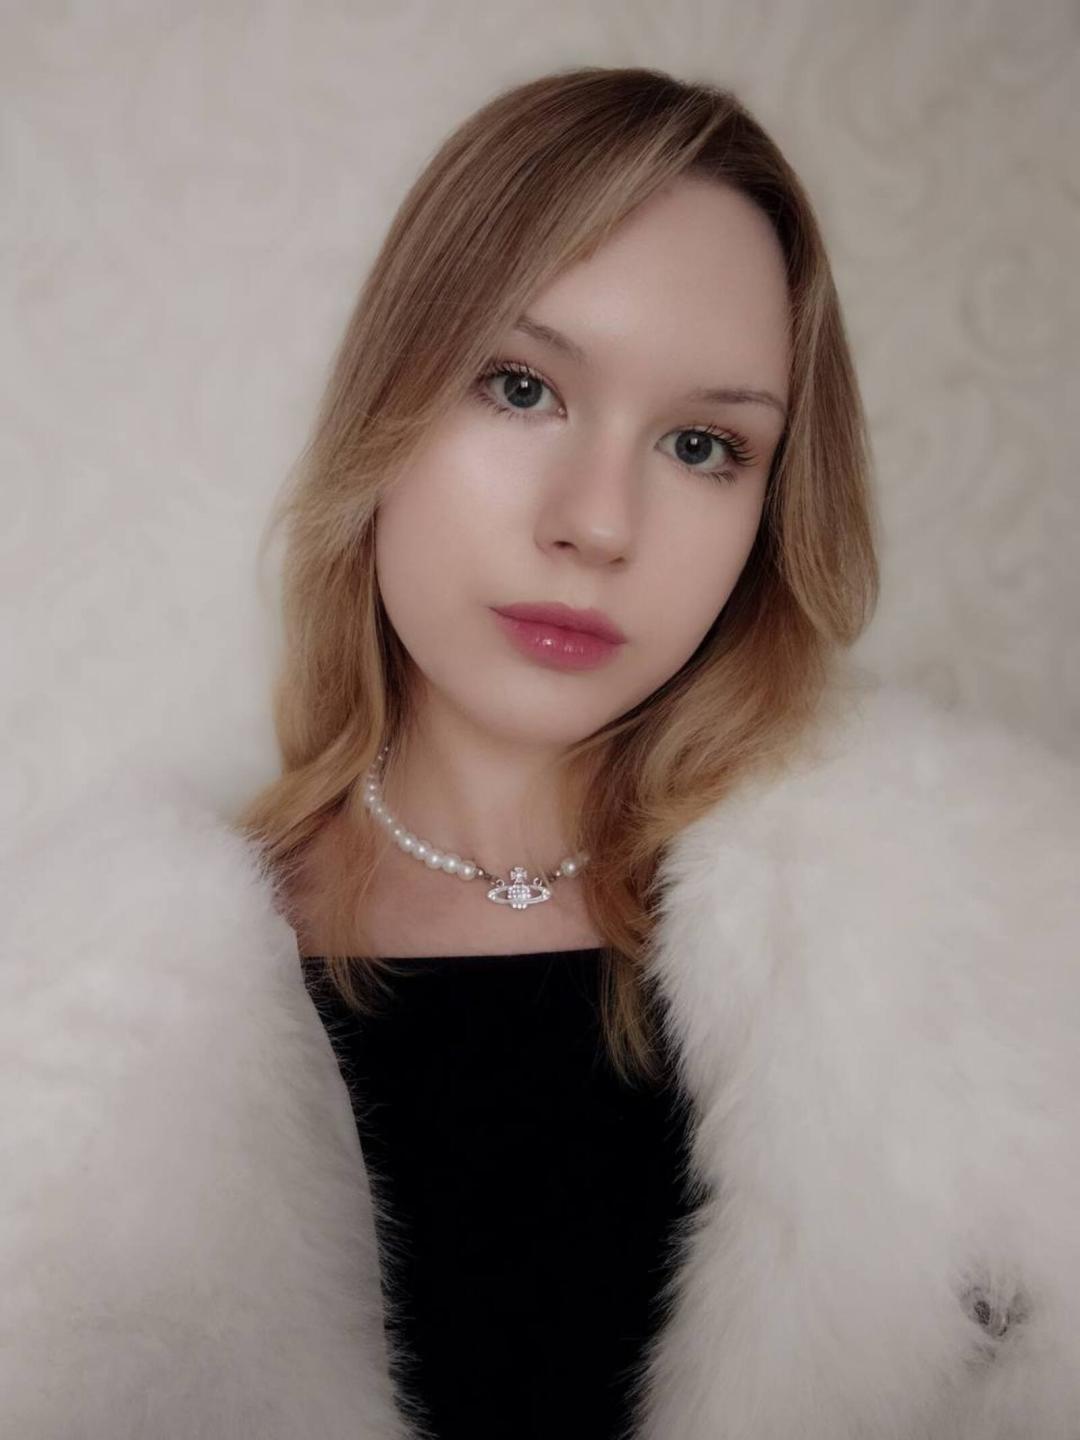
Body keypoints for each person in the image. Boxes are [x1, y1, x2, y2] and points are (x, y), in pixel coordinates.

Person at [3, 65, 1079, 1440]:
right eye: (520, 387)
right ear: (386, 404)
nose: (598, 522)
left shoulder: (975, 972)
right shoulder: (78, 1035)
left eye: (703, 444)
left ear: (770, 511)